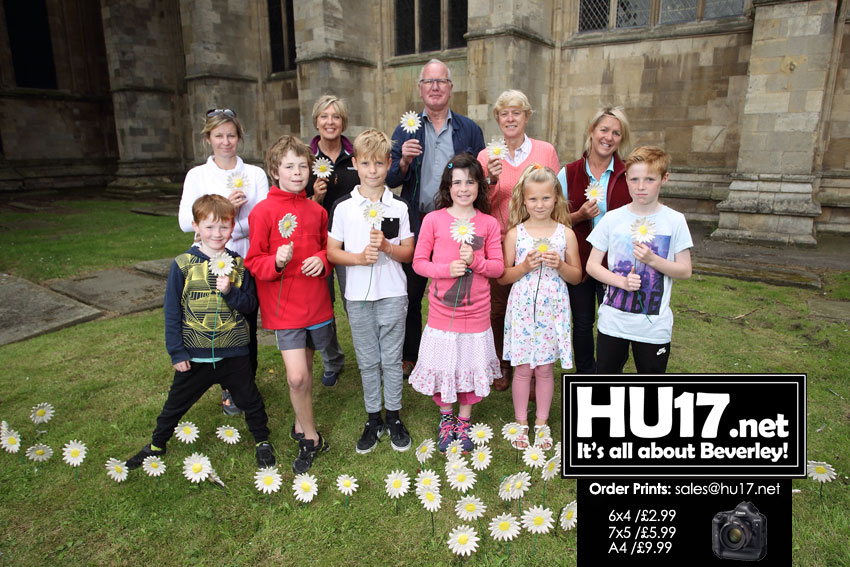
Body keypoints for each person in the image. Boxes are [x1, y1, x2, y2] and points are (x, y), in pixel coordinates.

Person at [126, 195, 274, 470]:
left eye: (223, 227)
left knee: (251, 400)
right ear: (196, 227)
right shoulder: (183, 264)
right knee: (175, 404)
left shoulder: (239, 265)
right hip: (195, 357)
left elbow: (251, 306)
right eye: (209, 227)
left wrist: (230, 291)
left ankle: (262, 441)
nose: (217, 234)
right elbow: (172, 312)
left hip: (234, 353)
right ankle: (157, 444)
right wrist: (177, 351)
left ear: (233, 228)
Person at [386, 58, 485, 379]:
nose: (435, 87)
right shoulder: (406, 129)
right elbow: (389, 179)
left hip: (457, 224)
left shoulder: (469, 129)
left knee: (458, 290)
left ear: (450, 88)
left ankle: (461, 355)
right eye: (429, 82)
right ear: (420, 89)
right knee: (412, 292)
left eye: (441, 81)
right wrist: (403, 163)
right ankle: (409, 355)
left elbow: (480, 177)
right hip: (418, 223)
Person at [245, 136, 333, 473]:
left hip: (315, 303)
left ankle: (299, 423)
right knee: (296, 377)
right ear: (274, 170)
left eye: (302, 166)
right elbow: (254, 261)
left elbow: (330, 250)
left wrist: (323, 260)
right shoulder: (263, 212)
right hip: (283, 307)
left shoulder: (317, 211)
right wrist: (276, 262)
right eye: (289, 166)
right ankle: (311, 437)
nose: (297, 173)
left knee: (307, 371)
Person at [327, 129, 415, 454]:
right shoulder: (344, 207)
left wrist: (389, 248)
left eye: (379, 163)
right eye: (366, 163)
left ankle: (393, 416)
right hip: (358, 298)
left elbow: (409, 252)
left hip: (392, 293)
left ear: (389, 164)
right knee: (367, 360)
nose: (373, 170)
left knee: (391, 359)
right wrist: (358, 258)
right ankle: (373, 417)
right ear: (355, 164)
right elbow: (332, 251)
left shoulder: (399, 206)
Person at [408, 154, 503, 453]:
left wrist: (475, 261)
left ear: (479, 186)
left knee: (468, 367)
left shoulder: (487, 224)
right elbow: (419, 262)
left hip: (475, 313)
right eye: (457, 182)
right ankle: (445, 417)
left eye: (470, 182)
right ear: (447, 187)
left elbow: (498, 268)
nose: (464, 188)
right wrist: (444, 270)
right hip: (441, 313)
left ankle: (464, 419)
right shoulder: (433, 220)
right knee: (445, 366)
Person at [178, 108, 269, 415]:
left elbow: (264, 221)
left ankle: (243, 382)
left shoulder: (255, 174)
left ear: (239, 137)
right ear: (208, 138)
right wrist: (226, 206)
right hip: (209, 261)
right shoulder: (197, 175)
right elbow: (183, 221)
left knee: (245, 322)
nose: (226, 142)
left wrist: (239, 219)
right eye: (219, 135)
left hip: (245, 260)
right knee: (214, 320)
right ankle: (224, 383)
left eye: (231, 135)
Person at [477, 90, 559, 391]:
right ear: (497, 119)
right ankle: (501, 362)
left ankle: (537, 366)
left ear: (526, 116)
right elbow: (478, 205)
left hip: (535, 240)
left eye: (516, 112)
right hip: (498, 241)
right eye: (504, 113)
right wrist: (491, 181)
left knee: (536, 304)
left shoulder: (545, 151)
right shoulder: (486, 157)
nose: (510, 118)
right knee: (498, 307)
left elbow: (555, 195)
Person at [586, 146, 693, 373]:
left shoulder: (675, 221)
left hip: (654, 328)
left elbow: (685, 270)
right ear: (626, 178)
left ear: (665, 178)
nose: (641, 186)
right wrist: (621, 282)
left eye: (649, 179)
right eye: (634, 179)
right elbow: (592, 265)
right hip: (613, 323)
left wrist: (653, 260)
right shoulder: (613, 219)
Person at [497, 165, 581, 449]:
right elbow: (503, 276)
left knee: (545, 369)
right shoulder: (515, 234)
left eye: (546, 198)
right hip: (522, 308)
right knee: (522, 368)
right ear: (523, 200)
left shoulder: (565, 234)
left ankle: (541, 424)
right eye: (533, 199)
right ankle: (520, 423)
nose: (540, 204)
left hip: (552, 308)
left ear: (556, 198)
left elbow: (577, 276)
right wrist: (523, 267)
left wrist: (561, 265)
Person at [557, 105, 633, 373]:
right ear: (591, 131)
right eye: (604, 130)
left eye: (616, 133)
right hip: (579, 260)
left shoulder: (628, 174)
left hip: (616, 263)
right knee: (582, 321)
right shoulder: (568, 173)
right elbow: (553, 221)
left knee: (615, 320)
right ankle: (586, 374)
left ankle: (609, 373)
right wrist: (577, 215)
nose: (609, 137)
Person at [303, 94, 358, 387]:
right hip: (316, 243)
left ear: (343, 121)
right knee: (323, 305)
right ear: (316, 121)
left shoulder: (355, 155)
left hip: (351, 244)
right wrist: (316, 199)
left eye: (335, 116)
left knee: (355, 301)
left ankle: (366, 356)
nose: (330, 122)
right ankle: (332, 360)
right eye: (324, 116)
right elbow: (295, 205)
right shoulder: (305, 158)